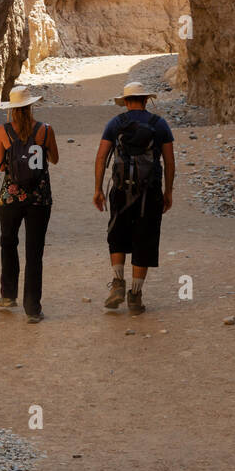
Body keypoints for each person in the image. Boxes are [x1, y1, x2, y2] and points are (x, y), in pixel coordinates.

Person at [93, 81, 174, 315]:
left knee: (116, 234)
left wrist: (98, 189)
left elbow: (101, 157)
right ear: (146, 100)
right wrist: (168, 191)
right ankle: (135, 297)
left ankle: (118, 282)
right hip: (150, 191)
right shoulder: (159, 125)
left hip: (120, 189)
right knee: (145, 240)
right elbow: (169, 161)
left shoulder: (115, 124)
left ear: (126, 101)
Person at [0, 85, 59, 323]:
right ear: (31, 105)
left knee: (8, 242)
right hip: (39, 198)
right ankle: (32, 307)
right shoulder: (45, 130)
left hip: (11, 196)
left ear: (11, 109)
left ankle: (8, 295)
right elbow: (54, 158)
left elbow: (1, 165)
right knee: (35, 251)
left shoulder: (2, 131)